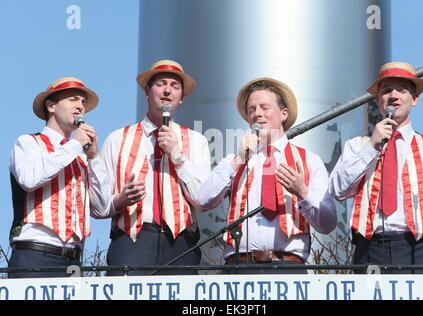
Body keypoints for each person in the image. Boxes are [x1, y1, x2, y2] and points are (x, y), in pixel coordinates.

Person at [198, 77, 337, 274]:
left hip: (288, 267)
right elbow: (203, 200)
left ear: (283, 114)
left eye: (265, 107)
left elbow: (328, 224)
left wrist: (303, 193)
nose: (257, 114)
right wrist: (238, 160)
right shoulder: (235, 160)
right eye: (252, 109)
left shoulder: (309, 161)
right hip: (239, 266)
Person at [329, 62, 423, 274]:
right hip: (372, 247)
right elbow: (337, 190)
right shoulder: (357, 146)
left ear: (414, 99)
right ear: (378, 100)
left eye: (401, 90)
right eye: (386, 90)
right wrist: (371, 146)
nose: (393, 95)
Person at [100, 59, 211, 275]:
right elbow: (97, 206)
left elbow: (202, 199)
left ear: (181, 98)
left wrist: (177, 155)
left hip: (181, 243)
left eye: (175, 86)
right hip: (132, 241)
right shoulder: (117, 139)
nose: (168, 90)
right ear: (147, 91)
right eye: (161, 83)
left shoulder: (196, 140)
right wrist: (120, 200)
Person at [9, 77, 109, 278]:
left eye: (83, 102)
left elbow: (102, 207)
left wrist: (94, 157)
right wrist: (73, 145)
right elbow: (29, 179)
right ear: (51, 105)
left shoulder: (81, 156)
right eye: (73, 99)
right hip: (35, 252)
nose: (80, 106)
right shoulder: (29, 143)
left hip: (73, 259)